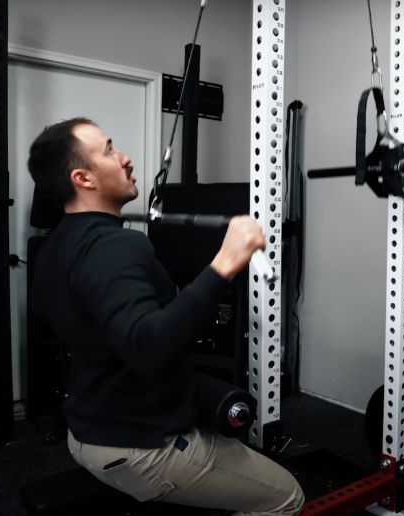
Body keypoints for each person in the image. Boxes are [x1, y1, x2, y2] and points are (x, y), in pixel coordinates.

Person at [28, 117, 304, 515]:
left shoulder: (54, 247)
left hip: (88, 432)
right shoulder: (118, 246)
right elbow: (149, 346)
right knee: (286, 497)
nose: (124, 157)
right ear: (82, 178)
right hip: (140, 446)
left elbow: (58, 317)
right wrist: (228, 260)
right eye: (108, 150)